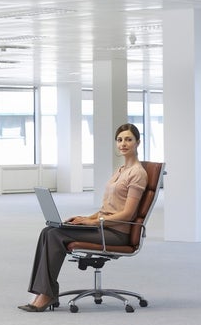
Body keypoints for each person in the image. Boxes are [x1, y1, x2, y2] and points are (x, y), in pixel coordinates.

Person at [18, 123, 148, 312]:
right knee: (48, 231)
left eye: (129, 139)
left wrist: (93, 222)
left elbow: (127, 213)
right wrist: (86, 218)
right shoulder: (120, 171)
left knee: (55, 235)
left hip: (115, 232)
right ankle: (42, 292)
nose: (123, 144)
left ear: (138, 142)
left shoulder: (137, 173)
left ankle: (47, 294)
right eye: (119, 140)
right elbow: (108, 208)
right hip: (102, 226)